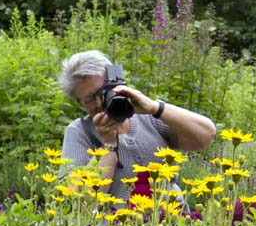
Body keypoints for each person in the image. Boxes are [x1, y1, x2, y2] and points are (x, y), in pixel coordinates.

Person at [58, 50, 216, 198]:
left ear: (116, 83)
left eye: (103, 91)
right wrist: (109, 144)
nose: (100, 102)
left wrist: (156, 108)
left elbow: (205, 136)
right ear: (80, 104)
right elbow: (77, 199)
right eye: (89, 99)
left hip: (171, 221)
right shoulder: (80, 132)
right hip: (117, 225)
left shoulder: (149, 117)